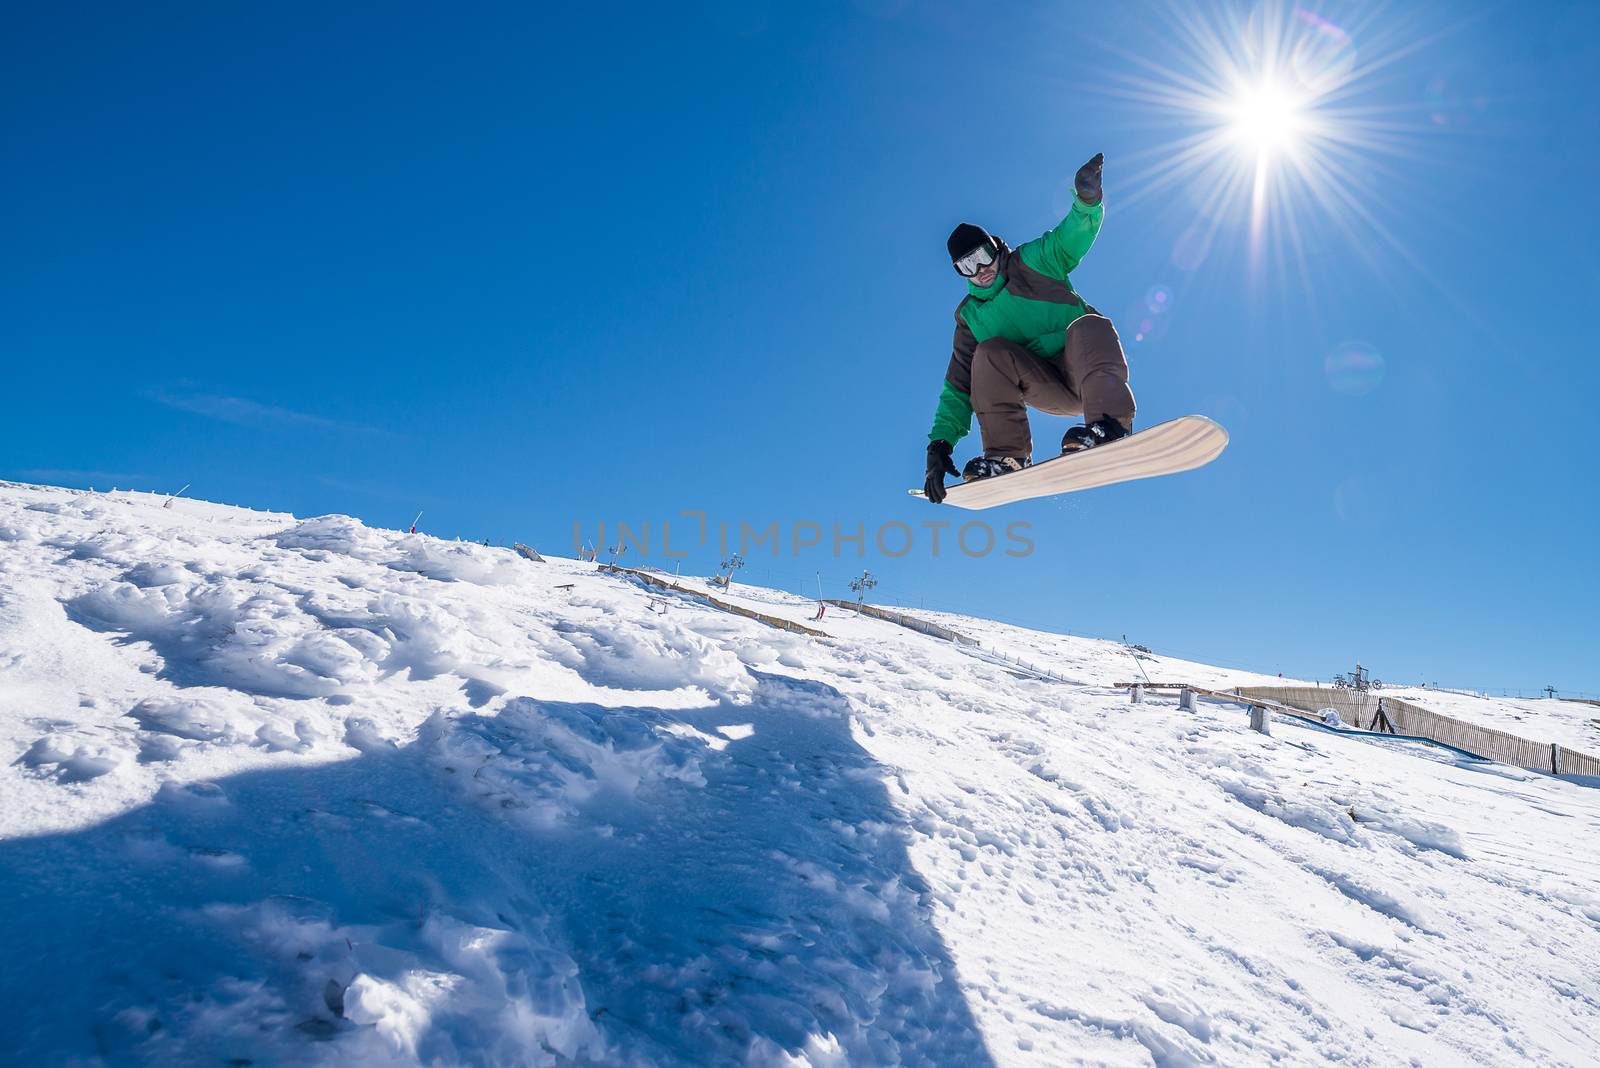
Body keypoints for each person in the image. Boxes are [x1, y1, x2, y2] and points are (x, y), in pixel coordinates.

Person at [922, 153, 1137, 503]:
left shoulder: (1033, 262)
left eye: (982, 257)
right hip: (1045, 386)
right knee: (988, 355)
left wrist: (1087, 201)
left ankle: (1110, 425)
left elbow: (1069, 238)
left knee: (1088, 325)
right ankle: (1007, 457)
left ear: (996, 248)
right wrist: (939, 444)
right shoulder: (970, 318)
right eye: (966, 267)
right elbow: (958, 386)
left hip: (1089, 372)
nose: (980, 271)